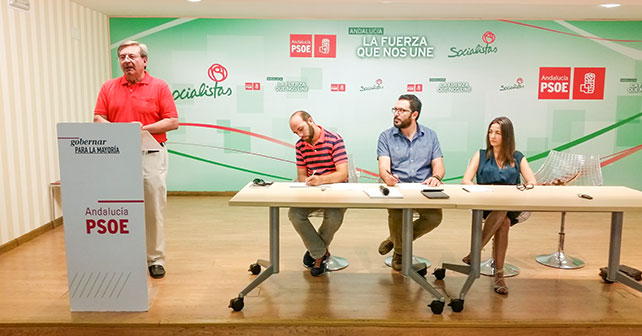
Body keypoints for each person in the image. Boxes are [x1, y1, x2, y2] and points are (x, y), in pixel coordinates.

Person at [94, 40, 179, 279]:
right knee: (118, 208)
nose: (126, 61)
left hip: (150, 154)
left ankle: (155, 259)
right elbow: (98, 117)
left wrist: (143, 129)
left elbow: (172, 121)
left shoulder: (159, 86)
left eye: (131, 56)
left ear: (144, 60)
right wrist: (121, 132)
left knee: (152, 209)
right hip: (116, 155)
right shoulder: (108, 87)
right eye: (122, 57)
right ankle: (123, 256)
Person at [461, 116, 536, 295]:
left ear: (507, 136)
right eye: (490, 132)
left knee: (503, 212)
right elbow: (466, 179)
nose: (492, 136)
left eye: (497, 133)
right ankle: (499, 276)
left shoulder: (518, 157)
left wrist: (524, 188)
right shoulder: (480, 155)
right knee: (503, 223)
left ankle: (475, 252)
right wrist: (479, 192)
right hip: (485, 203)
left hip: (511, 205)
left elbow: (532, 181)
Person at [377, 94, 444, 272]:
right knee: (397, 215)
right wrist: (387, 176)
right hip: (398, 189)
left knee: (434, 218)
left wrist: (436, 178)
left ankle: (394, 239)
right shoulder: (386, 136)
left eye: (401, 110)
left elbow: (438, 165)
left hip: (423, 189)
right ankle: (399, 254)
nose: (396, 114)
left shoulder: (430, 136)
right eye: (395, 110)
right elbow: (383, 166)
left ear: (414, 114)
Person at [288, 111, 348, 277]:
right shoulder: (300, 146)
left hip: (336, 191)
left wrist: (321, 179)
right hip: (313, 192)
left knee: (334, 217)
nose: (300, 135)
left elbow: (342, 174)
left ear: (310, 121)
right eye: (296, 133)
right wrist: (308, 181)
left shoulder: (334, 139)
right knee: (294, 214)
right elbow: (301, 176)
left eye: (301, 129)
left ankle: (316, 256)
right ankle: (320, 253)